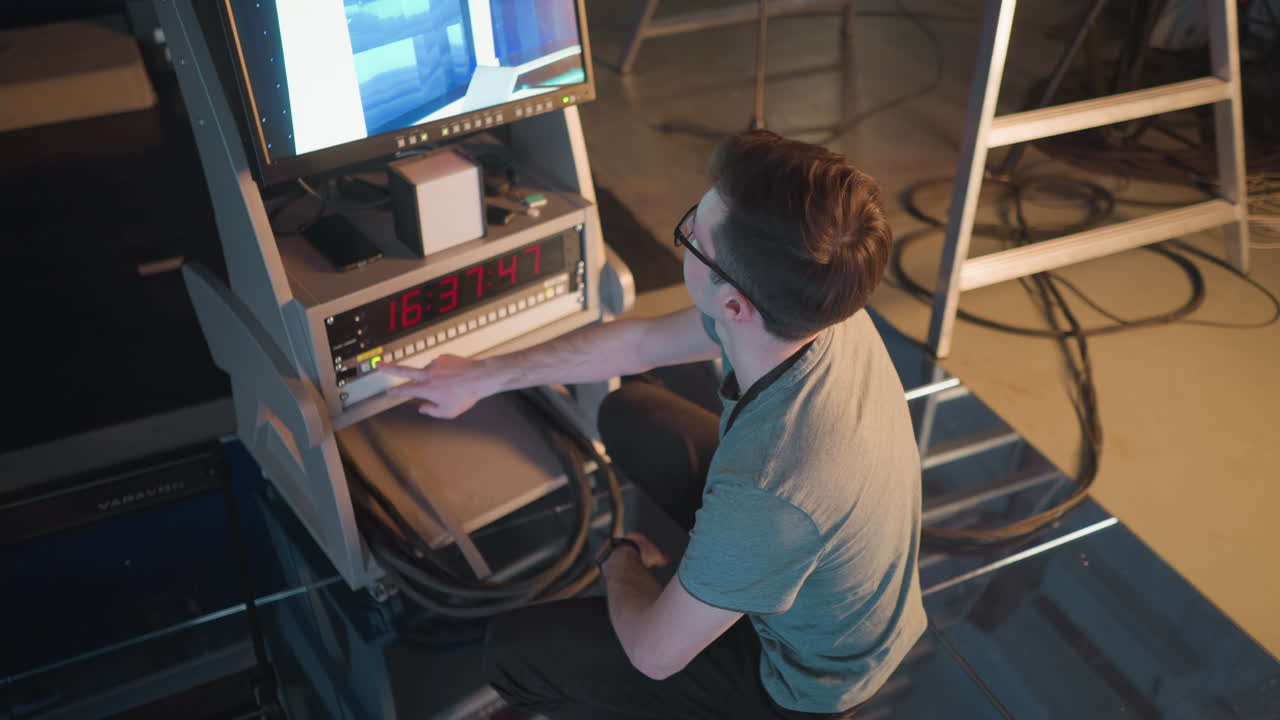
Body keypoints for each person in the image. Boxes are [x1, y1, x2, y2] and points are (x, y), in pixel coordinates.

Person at [381, 130, 926, 719]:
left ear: (734, 307)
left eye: (693, 233)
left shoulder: (769, 494)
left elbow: (652, 655)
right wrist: (482, 376)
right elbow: (637, 343)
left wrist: (621, 563)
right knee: (630, 414)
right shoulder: (815, 300)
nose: (687, 233)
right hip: (824, 554)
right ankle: (723, 584)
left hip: (806, 683)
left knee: (513, 652)